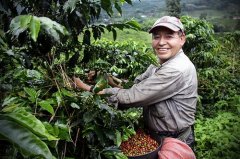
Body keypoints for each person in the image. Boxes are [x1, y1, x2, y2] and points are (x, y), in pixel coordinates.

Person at [73, 16, 198, 151]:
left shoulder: (176, 69)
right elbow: (136, 85)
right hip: (158, 136)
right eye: (156, 37)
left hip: (174, 140)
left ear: (182, 39)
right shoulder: (158, 63)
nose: (161, 42)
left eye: (168, 36)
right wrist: (106, 78)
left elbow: (131, 97)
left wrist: (87, 88)